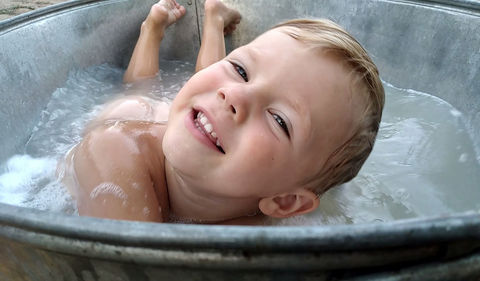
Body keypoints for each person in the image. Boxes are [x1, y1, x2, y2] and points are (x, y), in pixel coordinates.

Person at [62, 0, 384, 224]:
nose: (235, 95)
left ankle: (215, 21)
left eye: (279, 119)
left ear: (286, 202)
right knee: (138, 91)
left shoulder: (261, 228)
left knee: (212, 95)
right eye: (241, 70)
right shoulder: (114, 155)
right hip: (129, 117)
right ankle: (155, 27)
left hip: (201, 124)